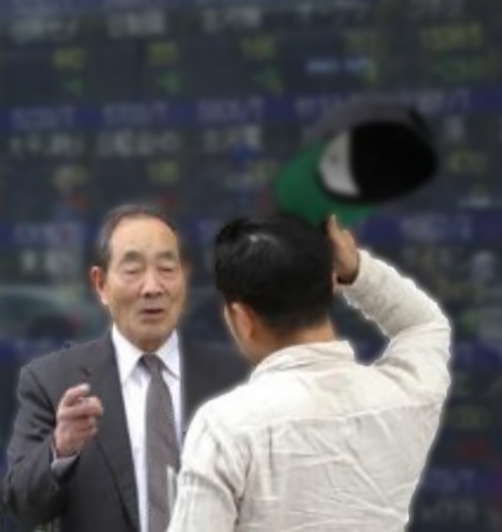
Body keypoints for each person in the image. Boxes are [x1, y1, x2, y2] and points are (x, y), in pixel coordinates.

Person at [168, 214, 452, 531]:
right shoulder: (406, 396)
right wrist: (357, 271)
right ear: (332, 283)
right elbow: (424, 324)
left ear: (241, 318)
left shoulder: (224, 426)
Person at [3, 204, 248, 532]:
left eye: (167, 268)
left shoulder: (237, 378)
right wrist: (60, 448)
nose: (152, 287)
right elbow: (21, 507)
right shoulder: (52, 381)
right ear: (101, 283)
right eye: (133, 270)